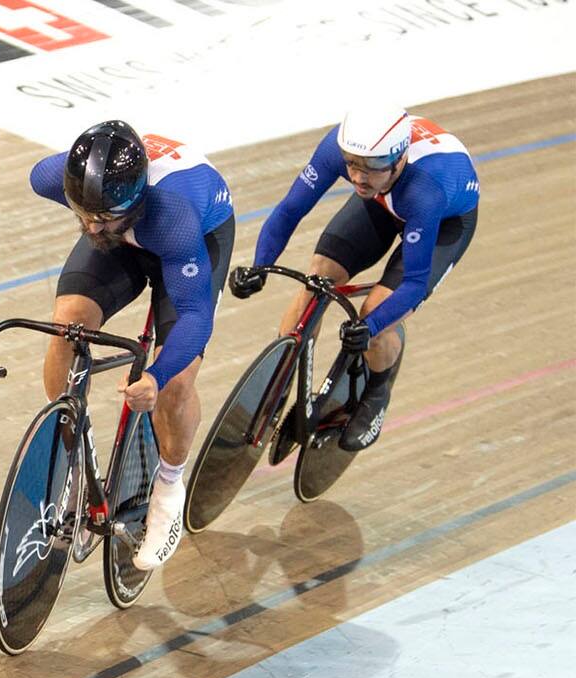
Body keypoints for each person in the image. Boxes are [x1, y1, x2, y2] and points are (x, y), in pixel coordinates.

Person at [29, 121, 235, 571]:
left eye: (100, 218)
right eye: (81, 212)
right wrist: (100, 220)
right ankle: (76, 452)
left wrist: (156, 377)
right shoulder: (55, 179)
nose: (88, 225)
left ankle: (168, 487)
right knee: (67, 325)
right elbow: (93, 215)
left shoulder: (173, 218)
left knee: (176, 381)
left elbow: (198, 319)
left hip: (194, 242)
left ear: (135, 202)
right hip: (126, 233)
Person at [243, 107, 479, 451]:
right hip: (385, 200)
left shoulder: (426, 188)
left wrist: (370, 327)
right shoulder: (343, 153)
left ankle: (377, 392)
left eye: (370, 166)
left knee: (377, 315)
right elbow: (289, 210)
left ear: (399, 159)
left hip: (443, 222)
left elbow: (413, 284)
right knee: (319, 277)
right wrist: (260, 265)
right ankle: (278, 378)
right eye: (352, 164)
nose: (357, 176)